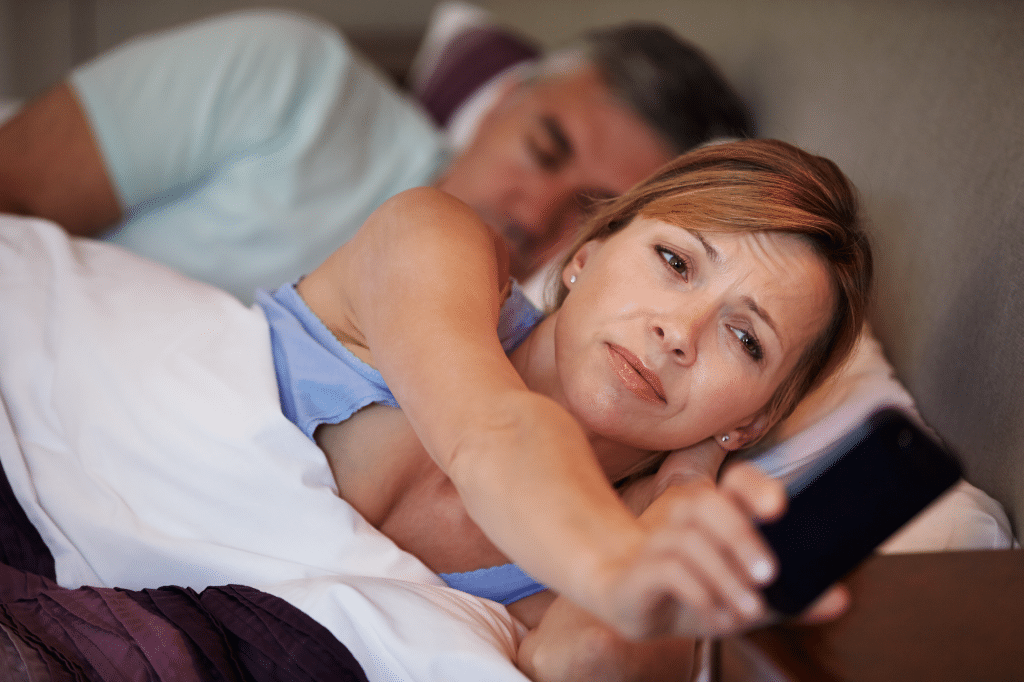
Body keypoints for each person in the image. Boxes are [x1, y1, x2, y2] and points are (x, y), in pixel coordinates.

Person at [255, 138, 871, 679]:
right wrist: (613, 571)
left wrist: (684, 486)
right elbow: (490, 432)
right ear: (586, 256)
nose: (679, 332)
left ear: (751, 421)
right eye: (676, 261)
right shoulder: (435, 239)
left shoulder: (638, 538)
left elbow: (580, 662)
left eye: (745, 340)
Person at [0, 10, 751, 302]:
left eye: (591, 210)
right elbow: (16, 186)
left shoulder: (498, 348)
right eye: (543, 149)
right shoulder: (292, 80)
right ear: (502, 99)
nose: (536, 212)